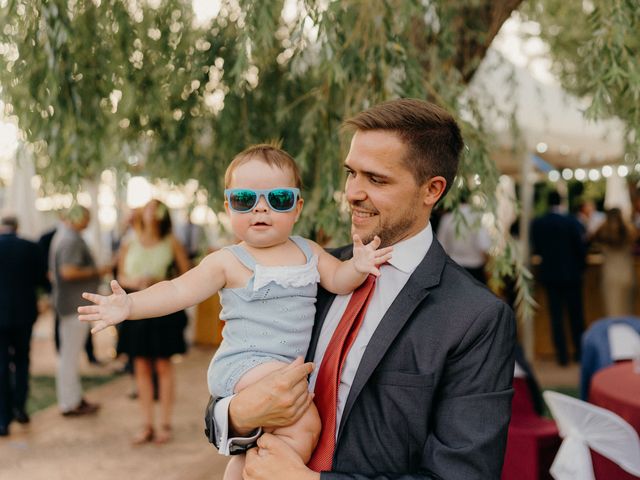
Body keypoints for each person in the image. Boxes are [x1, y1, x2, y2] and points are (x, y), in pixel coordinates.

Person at [208, 99, 516, 480]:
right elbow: (237, 375)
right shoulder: (307, 270)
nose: (352, 192)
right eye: (351, 173)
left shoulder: (475, 318)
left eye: (376, 179)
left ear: (432, 190)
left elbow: (462, 474)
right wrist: (238, 413)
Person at [78, 145, 391, 474]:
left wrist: (358, 265)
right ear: (228, 206)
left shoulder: (309, 251)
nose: (261, 209)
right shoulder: (228, 261)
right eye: (245, 200)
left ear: (297, 208)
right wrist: (129, 305)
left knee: (281, 434)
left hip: (281, 369)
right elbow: (178, 289)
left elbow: (341, 280)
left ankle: (247, 468)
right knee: (305, 423)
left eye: (278, 199)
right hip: (245, 364)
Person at [113, 199, 191, 445]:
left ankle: (164, 424)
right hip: (135, 311)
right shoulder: (130, 242)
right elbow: (120, 274)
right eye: (147, 207)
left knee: (163, 366)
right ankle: (146, 424)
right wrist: (134, 283)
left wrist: (161, 280)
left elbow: (188, 274)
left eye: (155, 209)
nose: (150, 212)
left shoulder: (171, 242)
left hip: (164, 311)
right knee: (141, 368)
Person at [50, 205, 110, 416]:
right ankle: (69, 403)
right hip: (74, 306)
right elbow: (68, 271)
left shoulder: (64, 236)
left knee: (69, 356)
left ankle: (73, 399)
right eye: (87, 217)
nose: (89, 221)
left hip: (70, 305)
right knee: (70, 356)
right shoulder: (71, 240)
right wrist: (99, 270)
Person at [0, 214, 47, 436]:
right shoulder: (31, 247)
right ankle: (20, 407)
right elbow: (41, 279)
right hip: (24, 313)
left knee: (1, 366)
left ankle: (3, 418)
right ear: (17, 227)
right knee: (22, 360)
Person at [531, 190, 587, 366]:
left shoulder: (539, 223)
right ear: (561, 202)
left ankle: (562, 357)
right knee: (576, 316)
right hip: (572, 276)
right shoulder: (571, 221)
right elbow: (581, 247)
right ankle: (579, 353)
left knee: (556, 318)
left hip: (550, 276)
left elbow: (537, 248)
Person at [436, 192, 492, 283]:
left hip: (454, 268)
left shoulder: (447, 218)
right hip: (475, 269)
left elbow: (441, 247)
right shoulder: (477, 218)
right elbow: (484, 245)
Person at [591, 207, 637, 317]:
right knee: (628, 313)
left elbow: (589, 240)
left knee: (613, 313)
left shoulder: (602, 232)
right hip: (628, 275)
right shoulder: (629, 231)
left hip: (610, 276)